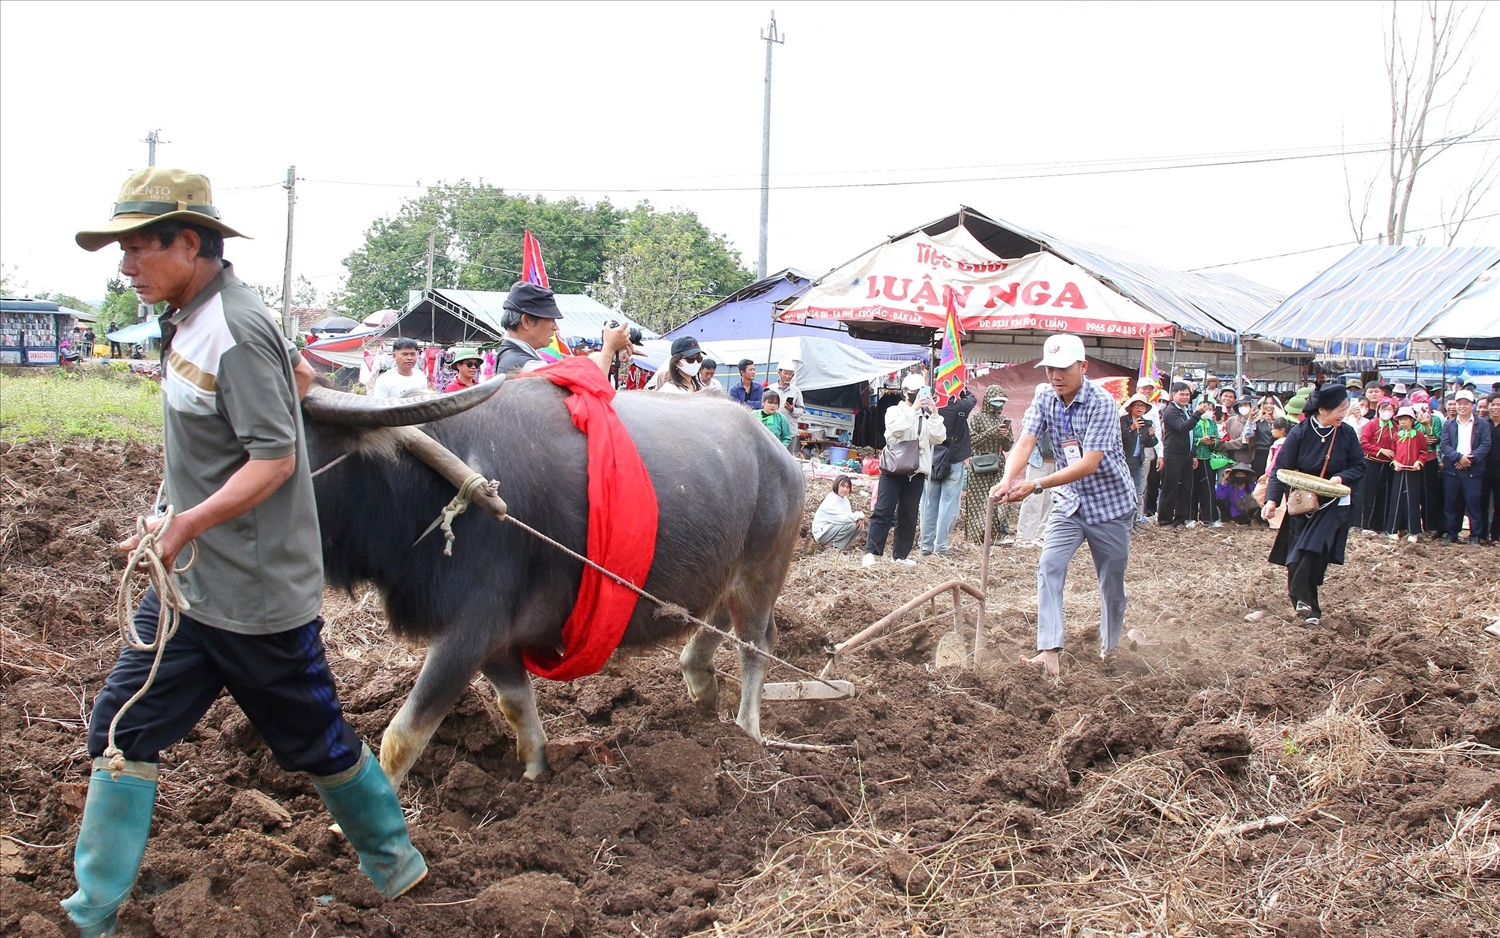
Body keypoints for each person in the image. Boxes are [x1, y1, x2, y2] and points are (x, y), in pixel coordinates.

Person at [67, 167, 426, 936]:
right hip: (192, 587)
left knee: (317, 743)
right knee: (121, 725)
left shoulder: (234, 326)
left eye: (135, 248)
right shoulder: (193, 317)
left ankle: (396, 868)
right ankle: (89, 912)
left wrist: (185, 522)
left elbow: (275, 458)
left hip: (255, 598)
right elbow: (292, 377)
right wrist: (174, 519)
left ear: (188, 242)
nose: (124, 265)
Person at [989, 334, 1143, 677]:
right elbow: (1025, 441)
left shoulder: (1102, 403)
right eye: (1050, 369)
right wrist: (1007, 479)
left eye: (1063, 369)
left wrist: (1036, 484)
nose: (1055, 376)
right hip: (1069, 503)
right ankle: (1049, 650)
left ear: (1082, 367)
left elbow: (1089, 464)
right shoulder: (1045, 396)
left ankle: (1111, 648)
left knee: (1111, 583)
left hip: (1109, 505)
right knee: (1049, 567)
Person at [1261, 383, 1367, 626]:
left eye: (1345, 408)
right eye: (1339, 409)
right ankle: (1307, 606)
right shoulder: (1300, 432)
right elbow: (1281, 469)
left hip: (1334, 502)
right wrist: (1272, 500)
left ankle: (1304, 598)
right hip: (1303, 501)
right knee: (1297, 551)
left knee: (1315, 548)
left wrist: (1341, 478)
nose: (1344, 413)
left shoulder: (1347, 433)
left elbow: (1359, 466)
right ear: (1322, 409)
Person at [862, 373, 945, 567]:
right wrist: (913, 410)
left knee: (908, 514)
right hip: (894, 468)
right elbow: (894, 430)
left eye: (922, 393)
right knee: (884, 509)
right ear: (905, 392)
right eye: (915, 393)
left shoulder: (925, 415)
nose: (919, 397)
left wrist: (934, 413)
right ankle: (872, 551)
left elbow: (938, 437)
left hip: (916, 470)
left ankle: (900, 555)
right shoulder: (894, 410)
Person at [493, 280, 629, 376]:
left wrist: (609, 355)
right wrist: (609, 348)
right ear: (527, 321)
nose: (556, 327)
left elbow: (573, 369)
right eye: (551, 320)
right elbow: (593, 389)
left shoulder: (511, 356)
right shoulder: (526, 366)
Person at [920, 387, 975, 557]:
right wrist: (962, 388)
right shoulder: (960, 405)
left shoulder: (929, 405)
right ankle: (941, 547)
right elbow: (972, 398)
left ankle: (925, 545)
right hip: (954, 459)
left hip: (932, 460)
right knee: (948, 505)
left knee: (928, 505)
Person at [962, 384, 1014, 543]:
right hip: (980, 466)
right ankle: (978, 537)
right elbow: (971, 442)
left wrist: (1005, 436)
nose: (998, 405)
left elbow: (1008, 446)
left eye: (1001, 402)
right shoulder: (977, 418)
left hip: (998, 465)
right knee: (979, 503)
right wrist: (992, 432)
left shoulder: (1002, 420)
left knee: (1000, 501)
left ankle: (999, 534)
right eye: (995, 401)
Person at [1439, 389, 1492, 544]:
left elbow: (1485, 444)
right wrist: (1459, 457)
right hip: (1452, 470)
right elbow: (1445, 445)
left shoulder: (1481, 424)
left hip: (1473, 470)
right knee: (1451, 503)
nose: (1462, 406)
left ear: (1472, 405)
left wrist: (1470, 459)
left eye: (1466, 403)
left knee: (1473, 503)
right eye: (1459, 403)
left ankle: (1475, 535)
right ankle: (1452, 533)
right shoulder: (1448, 424)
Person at [1157, 382, 1196, 528]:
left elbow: (1191, 434)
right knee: (1170, 487)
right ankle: (1165, 519)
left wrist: (1193, 454)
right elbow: (1183, 427)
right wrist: (1197, 414)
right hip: (1173, 454)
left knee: (1185, 488)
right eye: (1182, 394)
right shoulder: (1171, 411)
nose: (1185, 397)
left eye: (1187, 394)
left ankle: (1181, 518)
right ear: (1173, 395)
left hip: (1186, 455)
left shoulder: (1186, 410)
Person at [1359, 397, 1399, 534]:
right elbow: (1363, 442)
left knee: (1385, 495)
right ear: (1378, 410)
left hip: (1389, 465)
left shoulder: (1395, 426)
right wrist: (1381, 450)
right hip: (1372, 462)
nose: (1386, 412)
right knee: (1370, 494)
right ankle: (1367, 525)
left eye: (1389, 409)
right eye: (1383, 409)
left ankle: (1381, 526)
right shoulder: (1372, 424)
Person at [1390, 406, 1430, 543]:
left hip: (1413, 472)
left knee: (1412, 500)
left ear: (1412, 420)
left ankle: (1414, 531)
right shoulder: (1396, 436)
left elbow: (1424, 452)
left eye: (1405, 419)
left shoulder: (1418, 435)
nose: (1403, 422)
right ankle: (1393, 529)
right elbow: (1392, 452)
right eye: (1400, 419)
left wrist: (1419, 462)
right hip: (1400, 471)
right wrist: (1395, 462)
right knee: (1396, 499)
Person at [1120, 393, 1157, 522]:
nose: (1140, 408)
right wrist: (1132, 428)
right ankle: (1121, 516)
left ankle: (1134, 518)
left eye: (1142, 406)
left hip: (1138, 459)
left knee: (1137, 488)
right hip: (1123, 460)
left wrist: (1152, 435)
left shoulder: (1147, 423)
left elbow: (1150, 443)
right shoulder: (1123, 420)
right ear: (1131, 407)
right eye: (1137, 406)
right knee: (1121, 488)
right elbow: (1119, 438)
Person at [813, 475, 866, 549]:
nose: (845, 489)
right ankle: (833, 547)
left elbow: (848, 515)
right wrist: (860, 515)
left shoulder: (845, 500)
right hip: (823, 533)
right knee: (851, 525)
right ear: (836, 485)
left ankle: (842, 547)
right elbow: (842, 518)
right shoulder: (831, 499)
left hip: (834, 528)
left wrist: (858, 519)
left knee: (859, 526)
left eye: (847, 487)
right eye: (842, 486)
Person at [1484, 393, 1500, 543]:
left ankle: (1496, 536)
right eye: (1493, 405)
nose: (1495, 408)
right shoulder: (1482, 424)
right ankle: (1482, 535)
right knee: (1482, 502)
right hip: (1483, 469)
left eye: (1498, 405)